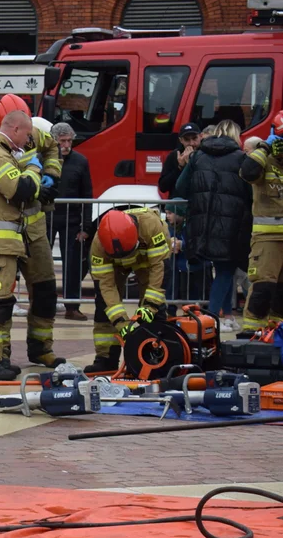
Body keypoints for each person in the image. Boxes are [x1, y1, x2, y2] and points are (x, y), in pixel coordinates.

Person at [0, 94, 64, 373]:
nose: (29, 140)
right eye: (25, 135)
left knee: (45, 292)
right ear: (10, 126)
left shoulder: (28, 135)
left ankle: (41, 349)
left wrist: (52, 176)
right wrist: (35, 173)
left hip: (30, 230)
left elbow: (53, 147)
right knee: (0, 300)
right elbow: (14, 190)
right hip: (4, 235)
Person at [176, 119, 251, 332]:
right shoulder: (240, 158)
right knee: (226, 269)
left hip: (201, 222)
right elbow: (249, 192)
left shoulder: (198, 156)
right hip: (231, 223)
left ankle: (226, 316)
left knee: (222, 270)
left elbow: (181, 186)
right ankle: (210, 319)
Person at [85, 208, 171, 372]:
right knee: (104, 306)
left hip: (147, 261)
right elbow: (106, 287)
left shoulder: (152, 227)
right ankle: (105, 359)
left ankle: (154, 357)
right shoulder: (99, 245)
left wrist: (150, 306)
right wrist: (121, 322)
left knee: (155, 309)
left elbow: (159, 270)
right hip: (115, 265)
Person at [238, 110, 283, 333]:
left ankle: (276, 337)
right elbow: (247, 173)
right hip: (268, 239)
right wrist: (264, 147)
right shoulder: (263, 160)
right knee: (263, 290)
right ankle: (251, 337)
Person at [49, 122, 94, 320]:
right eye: (62, 141)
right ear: (54, 141)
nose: (66, 145)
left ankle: (72, 307)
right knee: (40, 264)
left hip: (72, 219)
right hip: (47, 217)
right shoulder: (44, 159)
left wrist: (85, 226)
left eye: (69, 140)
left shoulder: (81, 161)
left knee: (73, 265)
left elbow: (87, 194)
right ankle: (41, 304)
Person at [158, 123, 201, 196]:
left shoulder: (205, 154)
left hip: (198, 202)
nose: (191, 143)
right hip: (178, 202)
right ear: (181, 140)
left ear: (200, 136)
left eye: (194, 138)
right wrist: (180, 167)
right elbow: (163, 187)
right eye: (187, 140)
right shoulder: (174, 155)